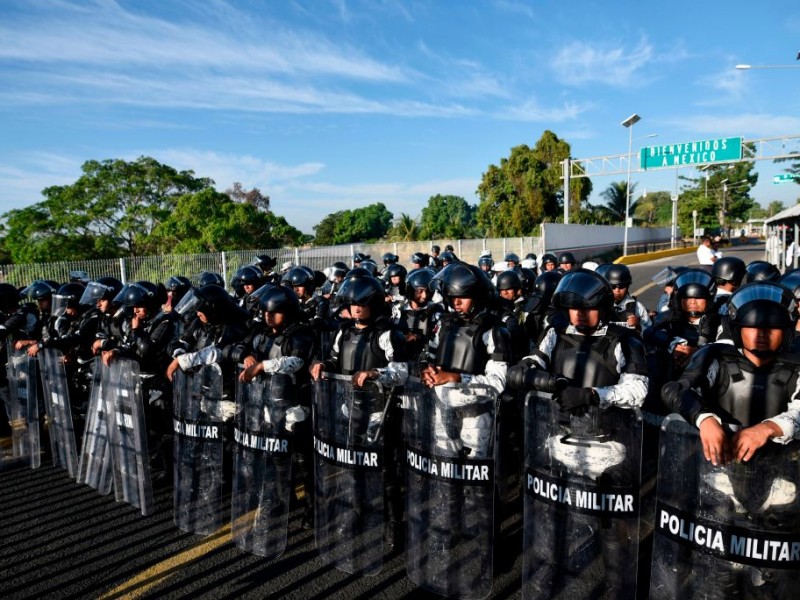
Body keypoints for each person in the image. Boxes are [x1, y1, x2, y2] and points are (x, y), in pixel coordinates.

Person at [310, 274, 408, 552]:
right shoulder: (345, 331)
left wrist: (376, 373)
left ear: (374, 303)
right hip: (350, 407)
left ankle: (393, 522)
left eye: (361, 303)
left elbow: (401, 370)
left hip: (381, 411)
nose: (355, 308)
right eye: (351, 303)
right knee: (352, 464)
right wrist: (321, 365)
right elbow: (334, 358)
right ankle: (356, 509)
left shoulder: (389, 333)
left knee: (386, 470)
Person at [662, 281, 800, 466]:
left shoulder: (796, 365)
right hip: (718, 468)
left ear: (786, 332)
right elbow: (678, 389)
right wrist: (705, 419)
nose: (761, 334)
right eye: (751, 326)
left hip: (781, 468)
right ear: (737, 330)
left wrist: (768, 428)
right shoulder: (716, 356)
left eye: (771, 328)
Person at [238, 285, 317, 529]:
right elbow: (239, 346)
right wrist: (246, 356)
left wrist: (262, 365)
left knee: (304, 460)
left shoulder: (300, 333)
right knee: (278, 457)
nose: (268, 316)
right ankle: (285, 499)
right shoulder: (261, 332)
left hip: (296, 405)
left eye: (275, 312)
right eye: (266, 312)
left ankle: (313, 507)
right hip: (268, 404)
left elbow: (296, 361)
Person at [601, 264, 651, 333]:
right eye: (613, 286)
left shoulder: (638, 307)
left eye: (621, 286)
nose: (617, 290)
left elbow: (649, 331)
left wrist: (638, 325)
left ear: (627, 286)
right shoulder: (600, 305)